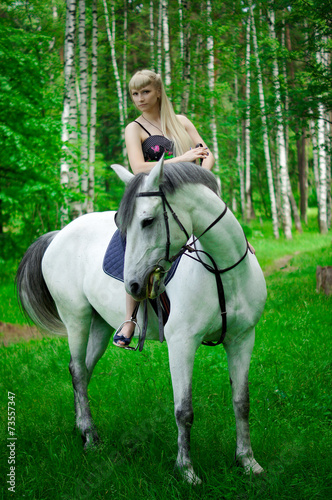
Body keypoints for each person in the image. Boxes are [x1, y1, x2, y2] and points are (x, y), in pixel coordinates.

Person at [113, 69, 215, 348]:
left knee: (219, 221)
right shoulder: (134, 128)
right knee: (132, 236)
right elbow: (138, 168)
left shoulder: (181, 121)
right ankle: (130, 318)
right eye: (134, 93)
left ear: (158, 92)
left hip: (188, 194)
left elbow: (207, 154)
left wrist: (201, 177)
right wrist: (183, 159)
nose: (139, 98)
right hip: (151, 194)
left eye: (145, 92)